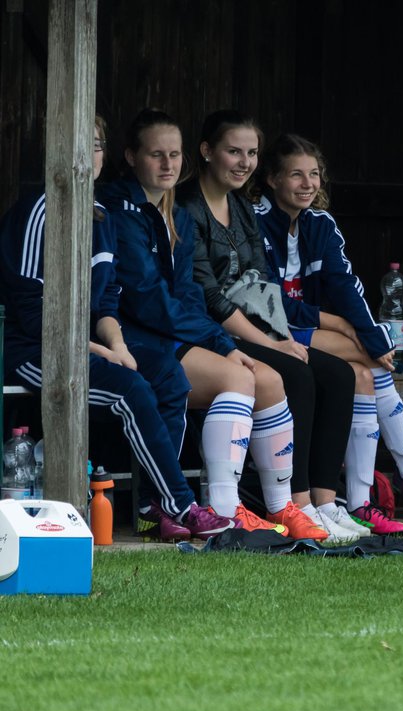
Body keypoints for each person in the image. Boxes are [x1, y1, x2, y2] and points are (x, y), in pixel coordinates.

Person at [0, 115, 232, 541]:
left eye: (96, 145)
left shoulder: (102, 216)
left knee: (167, 374)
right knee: (131, 388)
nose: (89, 154)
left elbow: (107, 301)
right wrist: (105, 355)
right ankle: (182, 505)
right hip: (33, 351)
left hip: (89, 346)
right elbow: (34, 316)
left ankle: (151, 508)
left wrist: (118, 344)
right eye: (78, 144)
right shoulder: (39, 210)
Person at [98, 108, 326, 541]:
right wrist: (220, 342)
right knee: (238, 377)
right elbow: (149, 301)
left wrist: (220, 340)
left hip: (173, 334)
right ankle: (226, 508)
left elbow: (186, 295)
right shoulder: (120, 211)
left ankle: (284, 510)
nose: (168, 165)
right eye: (156, 155)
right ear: (130, 156)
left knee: (268, 379)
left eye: (174, 155)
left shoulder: (176, 217)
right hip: (133, 339)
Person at [255, 134, 403, 532]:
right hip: (267, 331)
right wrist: (341, 325)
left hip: (305, 326)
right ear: (272, 179)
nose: (307, 184)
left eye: (314, 174)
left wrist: (367, 331)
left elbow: (345, 285)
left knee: (367, 373)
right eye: (296, 175)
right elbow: (268, 301)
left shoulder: (320, 223)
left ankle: (361, 502)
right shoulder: (255, 220)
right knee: (367, 358)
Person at [177, 110, 366, 544]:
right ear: (207, 152)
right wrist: (273, 345)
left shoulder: (243, 208)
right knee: (295, 373)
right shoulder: (188, 207)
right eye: (233, 151)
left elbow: (264, 284)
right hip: (213, 330)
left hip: (253, 327)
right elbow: (210, 295)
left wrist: (281, 336)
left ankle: (324, 502)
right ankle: (294, 505)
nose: (244, 162)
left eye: (251, 153)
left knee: (337, 373)